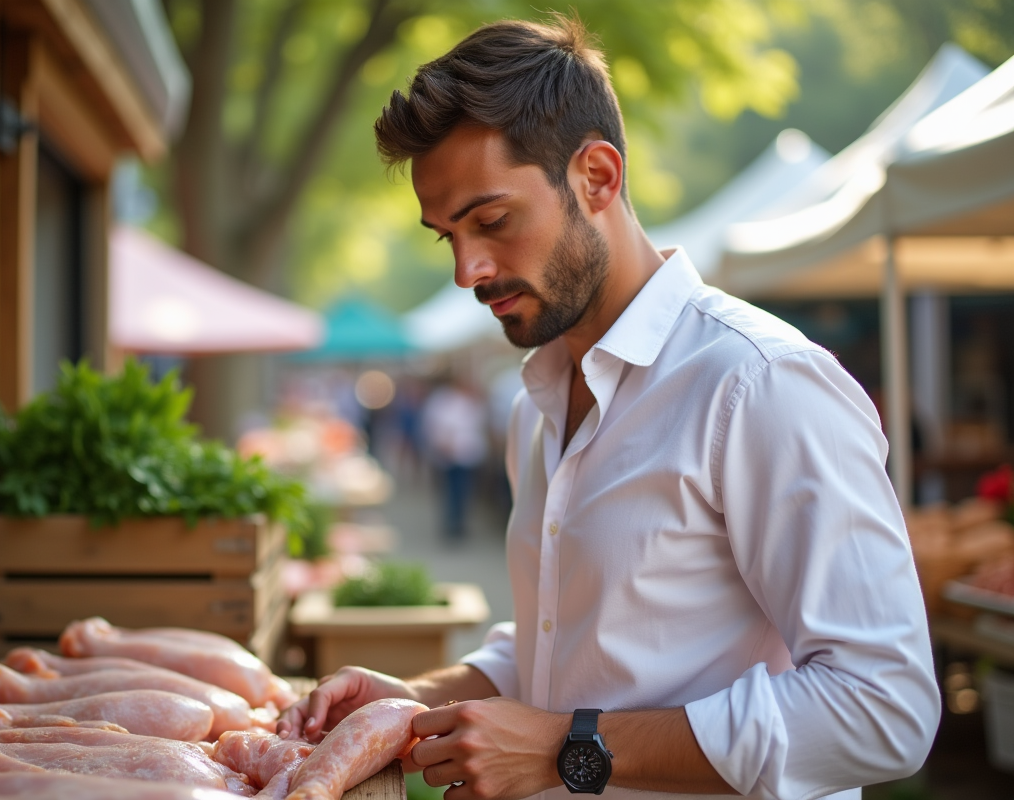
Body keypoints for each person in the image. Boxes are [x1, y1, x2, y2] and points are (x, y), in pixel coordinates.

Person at [278, 16, 939, 800]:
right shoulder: (539, 398)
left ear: (597, 176)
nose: (467, 270)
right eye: (445, 236)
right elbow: (573, 644)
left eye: (491, 221)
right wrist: (423, 696)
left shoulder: (760, 382)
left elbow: (885, 708)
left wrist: (569, 747)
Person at [421, 376, 488, 538]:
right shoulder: (444, 401)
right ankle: (452, 523)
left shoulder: (469, 402)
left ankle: (458, 523)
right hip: (449, 455)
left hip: (465, 455)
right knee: (452, 491)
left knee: (462, 491)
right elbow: (435, 425)